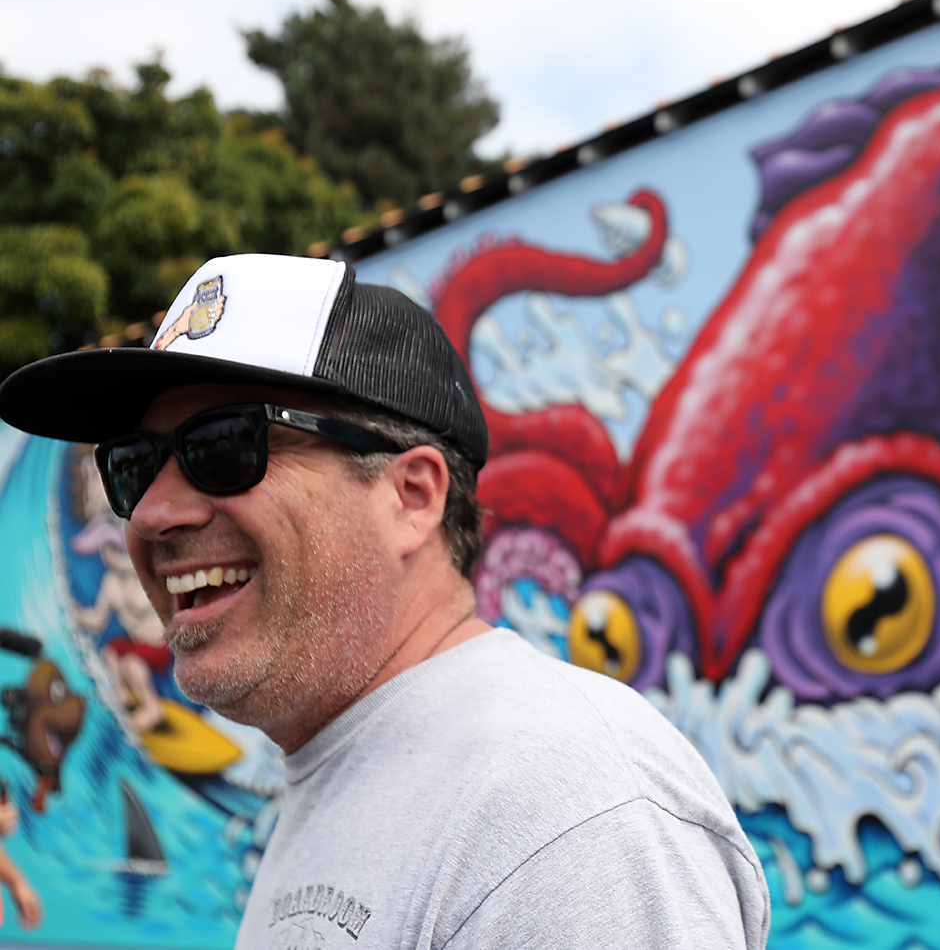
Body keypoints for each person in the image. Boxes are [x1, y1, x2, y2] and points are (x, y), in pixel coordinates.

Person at [0, 253, 770, 949]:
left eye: (223, 446)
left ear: (412, 496)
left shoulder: (563, 811)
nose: (151, 514)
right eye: (134, 465)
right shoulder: (355, 761)